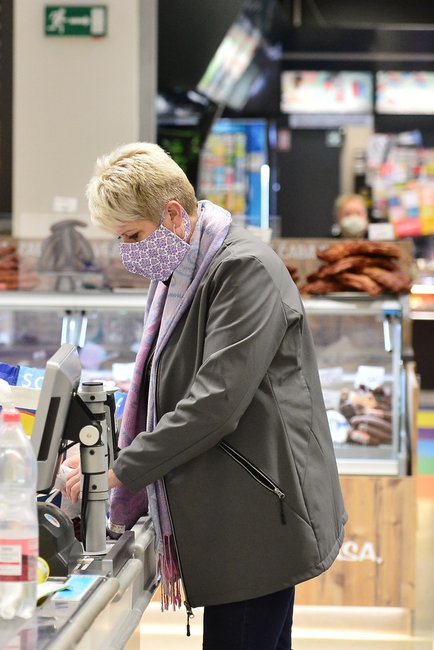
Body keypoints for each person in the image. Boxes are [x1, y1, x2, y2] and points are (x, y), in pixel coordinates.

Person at [65, 142, 346, 649]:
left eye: (132, 235)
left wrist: (119, 469)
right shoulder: (185, 273)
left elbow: (214, 403)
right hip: (235, 503)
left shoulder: (242, 269)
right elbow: (164, 380)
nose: (128, 251)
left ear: (172, 213)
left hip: (259, 510)